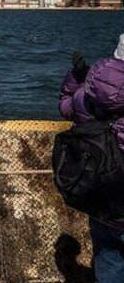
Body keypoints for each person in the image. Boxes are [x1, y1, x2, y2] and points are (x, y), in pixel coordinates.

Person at [58, 33, 124, 282]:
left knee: (109, 261)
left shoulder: (89, 96)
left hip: (104, 204)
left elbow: (66, 106)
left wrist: (76, 79)